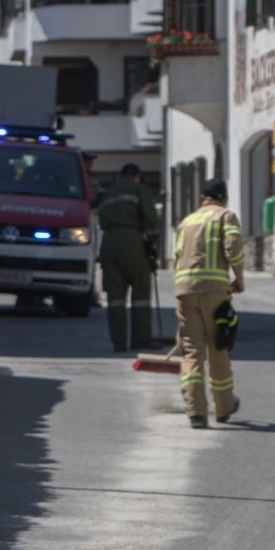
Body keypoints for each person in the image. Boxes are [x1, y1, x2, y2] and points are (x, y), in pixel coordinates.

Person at [172, 177, 244, 428]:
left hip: (185, 291)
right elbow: (233, 247)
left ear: (203, 198)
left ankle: (196, 413)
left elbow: (178, 257)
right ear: (223, 198)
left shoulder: (186, 222)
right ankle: (223, 407)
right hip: (215, 290)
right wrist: (239, 279)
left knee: (192, 351)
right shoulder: (226, 216)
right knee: (218, 346)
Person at [94, 162, 164, 354]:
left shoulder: (108, 193)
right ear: (138, 176)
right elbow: (150, 217)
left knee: (115, 298)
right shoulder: (139, 189)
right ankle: (141, 339)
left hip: (108, 244)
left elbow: (101, 218)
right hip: (131, 241)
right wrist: (151, 240)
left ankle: (118, 342)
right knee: (140, 292)